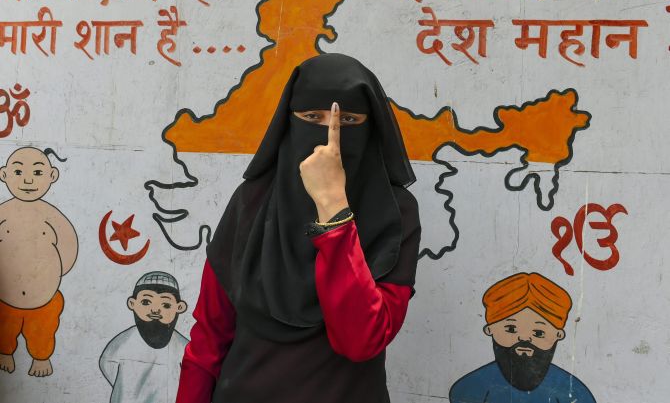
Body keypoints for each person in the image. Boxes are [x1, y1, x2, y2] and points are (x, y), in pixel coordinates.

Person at [176, 53, 421, 403]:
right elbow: (209, 338)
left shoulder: (395, 214)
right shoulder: (253, 201)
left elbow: (361, 340)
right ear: (289, 122)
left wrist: (333, 209)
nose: (328, 140)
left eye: (348, 120)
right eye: (311, 118)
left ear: (370, 128)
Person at [449, 272, 596, 403]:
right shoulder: (472, 386)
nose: (524, 338)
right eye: (511, 329)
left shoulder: (573, 391)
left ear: (558, 335)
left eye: (538, 333)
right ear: (490, 330)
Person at [0, 147, 78, 377]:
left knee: (43, 331)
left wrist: (51, 274)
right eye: (18, 172)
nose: (27, 179)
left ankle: (41, 358)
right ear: (4, 175)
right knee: (5, 328)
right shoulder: (4, 211)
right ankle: (5, 353)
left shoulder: (50, 215)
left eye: (37, 172)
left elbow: (68, 246)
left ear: (52, 176)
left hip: (44, 298)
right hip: (6, 298)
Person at [100, 271, 189, 403]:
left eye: (166, 305)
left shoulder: (182, 346)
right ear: (132, 304)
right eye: (146, 302)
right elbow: (107, 363)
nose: (155, 310)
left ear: (179, 307)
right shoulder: (124, 341)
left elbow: (193, 374)